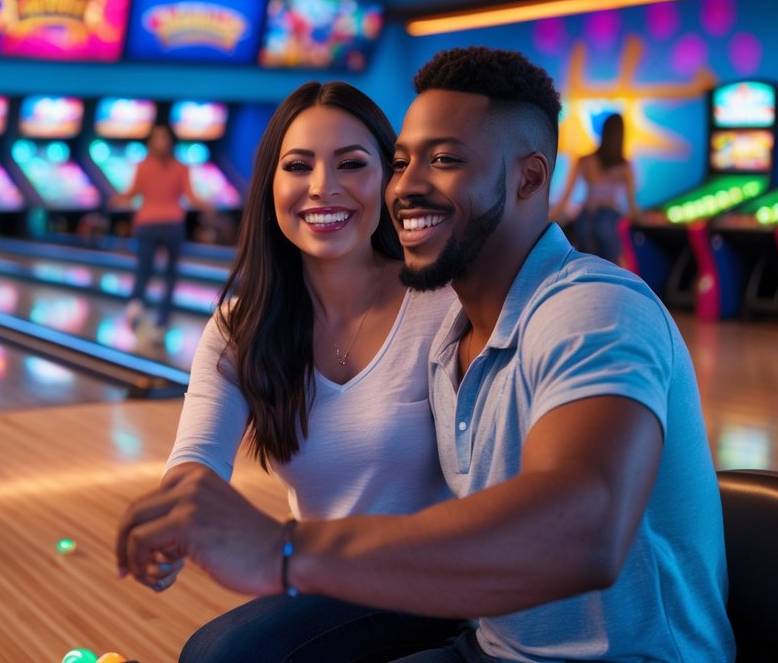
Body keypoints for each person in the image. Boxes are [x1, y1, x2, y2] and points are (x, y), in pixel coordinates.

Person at [116, 47, 735, 662]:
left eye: (444, 160)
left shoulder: (592, 308)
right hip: (490, 644)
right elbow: (199, 453)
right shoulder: (456, 340)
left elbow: (584, 528)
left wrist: (284, 550)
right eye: (404, 162)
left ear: (529, 176)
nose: (407, 186)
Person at [158, 81, 461, 662]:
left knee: (221, 655)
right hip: (330, 581)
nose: (324, 187)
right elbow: (197, 456)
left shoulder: (445, 305)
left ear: (390, 180)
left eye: (352, 163)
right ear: (271, 184)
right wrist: (177, 517)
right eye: (299, 166)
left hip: (442, 577)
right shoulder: (240, 327)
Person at [111, 123, 211, 336]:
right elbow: (134, 192)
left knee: (154, 271)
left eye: (164, 138)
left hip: (162, 224)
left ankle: (151, 314)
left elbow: (132, 194)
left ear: (171, 142)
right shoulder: (151, 166)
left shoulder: (168, 167)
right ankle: (148, 313)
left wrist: (118, 199)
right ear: (150, 143)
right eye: (157, 138)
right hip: (157, 225)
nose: (161, 142)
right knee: (156, 271)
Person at [550, 113, 639, 263]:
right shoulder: (624, 167)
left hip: (585, 219)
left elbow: (566, 195)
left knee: (588, 268)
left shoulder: (585, 160)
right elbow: (632, 207)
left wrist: (550, 219)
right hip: (609, 219)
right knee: (610, 270)